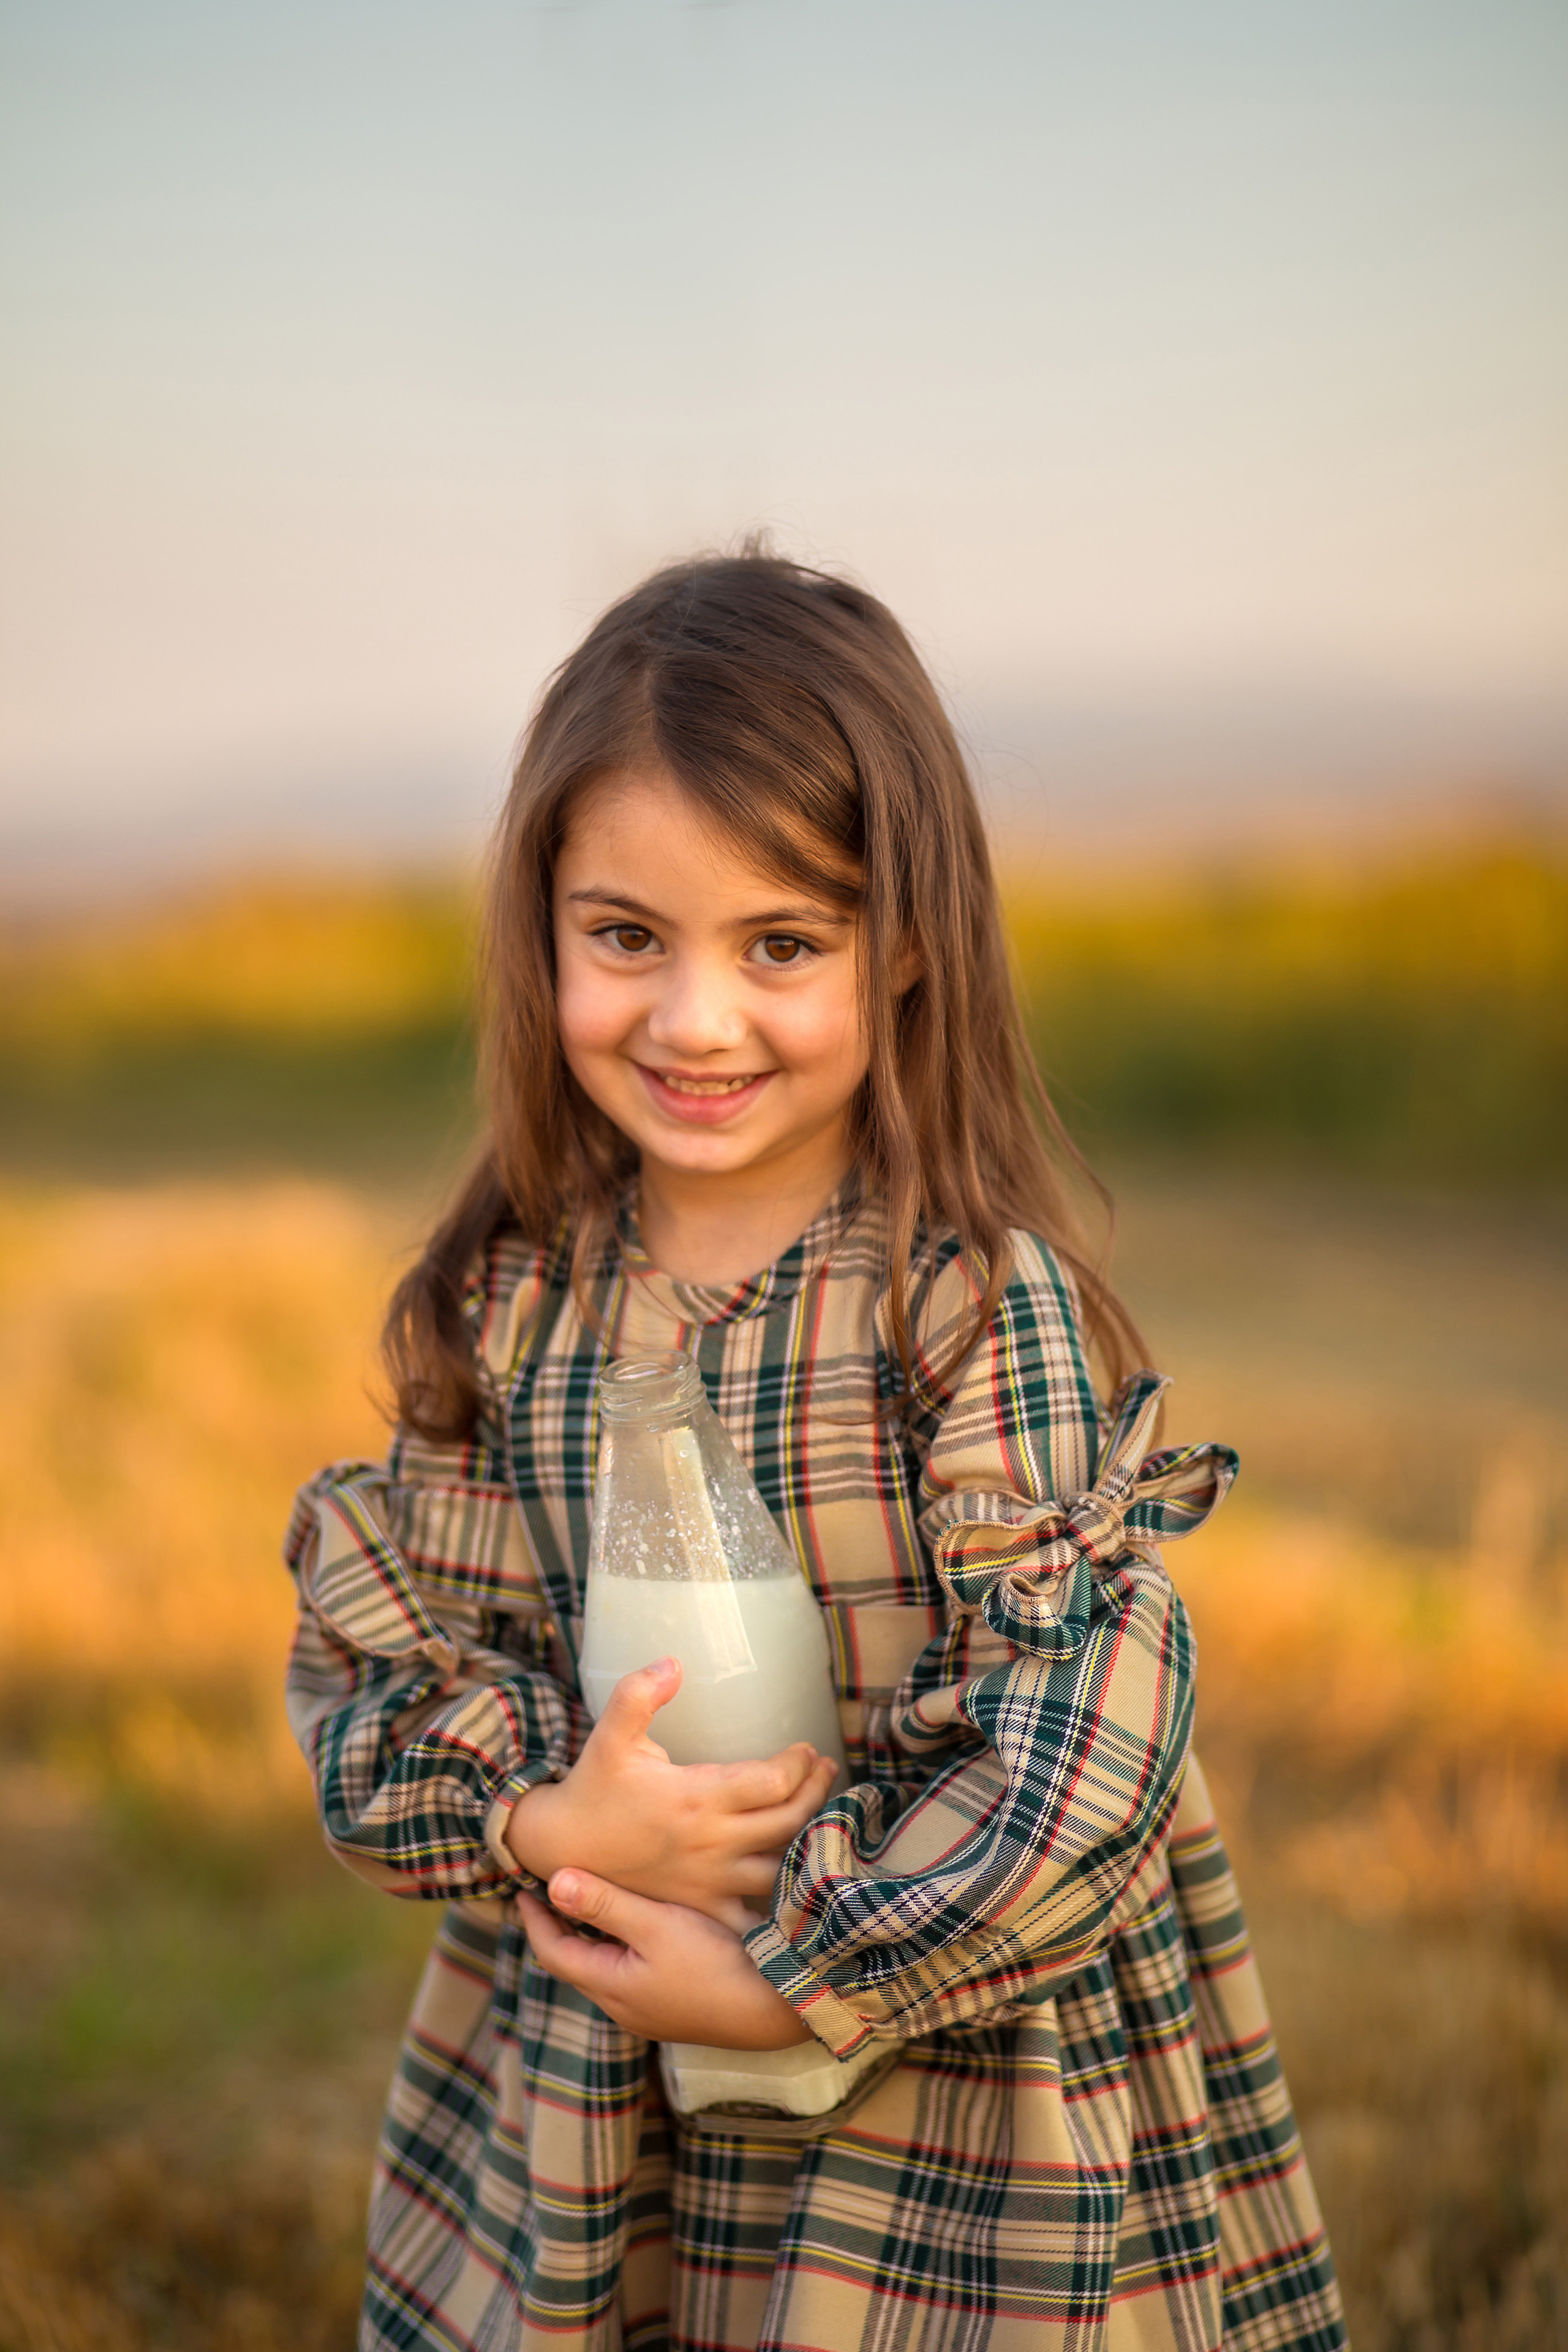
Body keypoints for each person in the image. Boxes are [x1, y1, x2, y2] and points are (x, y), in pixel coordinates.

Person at [284, 551, 1346, 2352]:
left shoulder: (956, 1310)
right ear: (542, 927)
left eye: (781, 943)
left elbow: (1091, 1740)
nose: (697, 1020)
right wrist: (549, 1818)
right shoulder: (512, 1307)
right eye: (628, 936)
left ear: (907, 944)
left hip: (946, 2080)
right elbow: (384, 1673)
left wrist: (801, 1980)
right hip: (606, 2054)